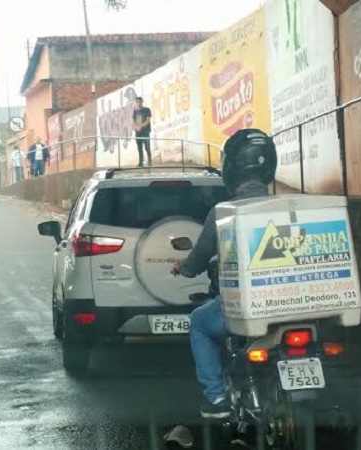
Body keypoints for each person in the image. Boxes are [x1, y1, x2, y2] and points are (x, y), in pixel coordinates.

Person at [172, 129, 277, 419]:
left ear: (231, 169)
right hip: (300, 306)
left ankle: (217, 397)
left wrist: (184, 267)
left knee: (200, 323)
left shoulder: (223, 213)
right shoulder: (291, 207)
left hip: (247, 307)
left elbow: (196, 261)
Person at [132, 97, 153, 167]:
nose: (138, 103)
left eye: (140, 102)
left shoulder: (147, 110)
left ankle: (149, 161)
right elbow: (133, 121)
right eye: (137, 102)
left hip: (145, 131)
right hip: (138, 132)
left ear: (142, 102)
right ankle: (140, 162)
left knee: (147, 146)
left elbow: (148, 121)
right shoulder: (135, 111)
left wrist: (141, 126)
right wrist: (135, 127)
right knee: (139, 147)